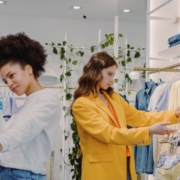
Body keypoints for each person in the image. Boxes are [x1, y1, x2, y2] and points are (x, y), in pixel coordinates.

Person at [71, 52, 180, 180]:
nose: (112, 79)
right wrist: (149, 131)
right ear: (95, 72)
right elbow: (109, 133)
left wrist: (174, 114)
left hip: (125, 164)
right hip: (101, 171)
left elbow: (139, 117)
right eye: (109, 74)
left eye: (114, 75)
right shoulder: (81, 104)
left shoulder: (113, 98)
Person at [0, 33, 60, 180]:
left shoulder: (48, 99)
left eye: (11, 75)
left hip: (23, 176)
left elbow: (27, 128)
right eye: (5, 80)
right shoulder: (25, 105)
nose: (9, 84)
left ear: (28, 69)